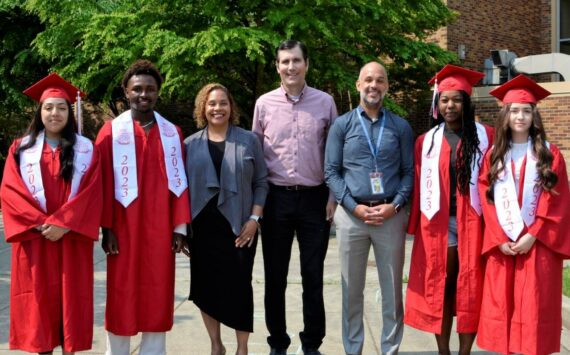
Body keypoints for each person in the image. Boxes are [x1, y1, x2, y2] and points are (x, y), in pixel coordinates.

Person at [0, 73, 102, 354]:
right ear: (40, 112)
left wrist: (64, 224)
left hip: (71, 240)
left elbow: (93, 192)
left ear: (70, 113)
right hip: (35, 240)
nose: (54, 113)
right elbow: (10, 192)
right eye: (48, 107)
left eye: (61, 107)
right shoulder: (21, 150)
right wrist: (42, 225)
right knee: (38, 305)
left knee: (71, 303)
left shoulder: (86, 150)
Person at [95, 60, 191, 355]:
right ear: (126, 91)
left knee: (158, 290)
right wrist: (106, 228)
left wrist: (179, 228)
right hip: (123, 227)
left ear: (158, 93)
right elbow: (101, 184)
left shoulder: (172, 133)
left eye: (150, 89)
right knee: (122, 291)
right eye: (137, 88)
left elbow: (180, 181)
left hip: (161, 227)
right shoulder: (110, 132)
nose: (143, 94)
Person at [252, 39, 338, 355]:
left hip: (316, 200)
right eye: (285, 61)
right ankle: (278, 343)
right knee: (275, 277)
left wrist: (332, 195)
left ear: (306, 64)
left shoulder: (325, 103)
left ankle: (312, 344)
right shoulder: (263, 104)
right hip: (276, 200)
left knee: (312, 276)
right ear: (277, 66)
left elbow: (334, 154)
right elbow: (257, 158)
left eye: (296, 61)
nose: (291, 67)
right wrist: (257, 206)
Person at [476, 74, 570, 355]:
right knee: (503, 306)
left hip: (537, 245)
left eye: (526, 111)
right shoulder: (493, 155)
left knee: (533, 306)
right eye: (514, 110)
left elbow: (556, 199)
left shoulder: (550, 155)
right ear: (505, 115)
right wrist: (498, 236)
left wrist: (533, 234)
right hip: (503, 243)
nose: (520, 116)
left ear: (534, 115)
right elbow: (486, 200)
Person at [325, 61, 414, 355]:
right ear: (358, 85)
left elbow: (408, 172)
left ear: (386, 87)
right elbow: (331, 172)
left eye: (379, 80)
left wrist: (396, 205)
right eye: (368, 80)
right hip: (352, 218)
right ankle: (354, 349)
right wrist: (353, 207)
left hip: (390, 216)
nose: (373, 85)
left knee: (392, 291)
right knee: (351, 291)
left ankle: (390, 349)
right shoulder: (342, 125)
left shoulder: (400, 127)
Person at [404, 64, 493, 355]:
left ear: (466, 102)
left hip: (476, 223)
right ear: (437, 104)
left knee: (470, 289)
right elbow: (418, 184)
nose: (450, 105)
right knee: (442, 286)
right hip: (439, 225)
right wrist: (414, 223)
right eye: (444, 100)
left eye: (456, 99)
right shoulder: (424, 142)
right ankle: (444, 352)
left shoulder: (487, 136)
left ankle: (464, 352)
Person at [185, 83, 268, 355]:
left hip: (240, 227)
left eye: (223, 102)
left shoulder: (248, 140)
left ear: (231, 106)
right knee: (206, 288)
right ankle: (215, 345)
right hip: (203, 229)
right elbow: (180, 189)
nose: (217, 108)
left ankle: (242, 348)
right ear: (203, 108)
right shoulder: (189, 144)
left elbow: (262, 182)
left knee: (239, 288)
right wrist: (181, 229)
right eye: (211, 103)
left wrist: (255, 218)